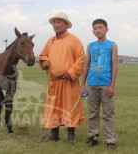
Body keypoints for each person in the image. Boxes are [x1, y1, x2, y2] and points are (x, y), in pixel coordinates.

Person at [39, 12, 85, 144]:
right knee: (54, 108)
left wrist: (71, 73)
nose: (56, 25)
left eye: (59, 22)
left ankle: (71, 135)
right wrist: (45, 61)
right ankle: (54, 134)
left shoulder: (74, 40)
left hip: (68, 81)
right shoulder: (50, 41)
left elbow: (81, 59)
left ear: (66, 25)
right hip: (54, 81)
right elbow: (43, 55)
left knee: (69, 107)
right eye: (54, 22)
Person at [81, 19, 118, 149]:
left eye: (100, 27)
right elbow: (86, 66)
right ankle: (93, 137)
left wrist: (112, 85)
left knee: (108, 113)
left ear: (106, 29)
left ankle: (110, 139)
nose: (98, 30)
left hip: (106, 85)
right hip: (91, 85)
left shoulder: (112, 45)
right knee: (92, 113)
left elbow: (114, 66)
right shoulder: (90, 46)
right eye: (95, 28)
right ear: (93, 31)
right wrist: (83, 85)